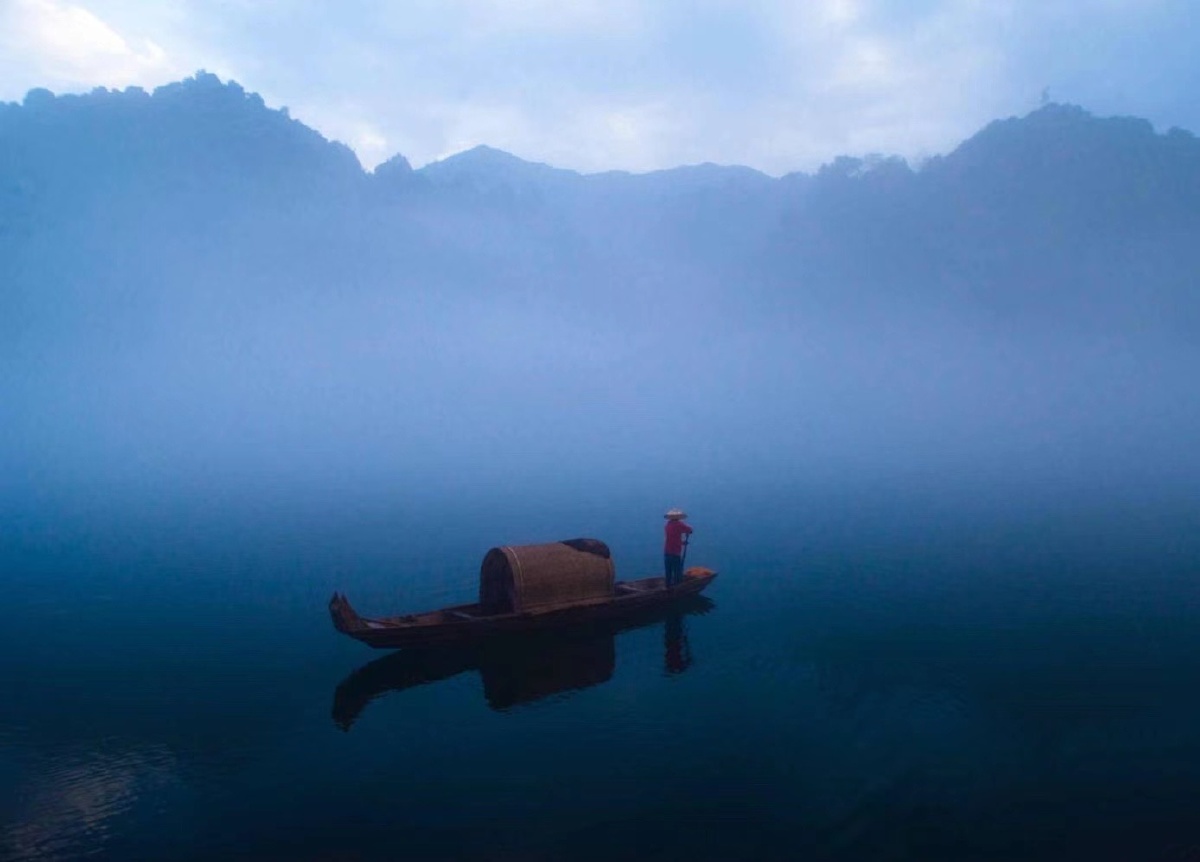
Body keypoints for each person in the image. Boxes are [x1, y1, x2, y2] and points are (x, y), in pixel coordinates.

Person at [663, 508, 693, 588]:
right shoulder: (679, 524)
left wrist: (682, 542)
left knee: (668, 571)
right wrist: (687, 532)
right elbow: (690, 530)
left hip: (667, 551)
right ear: (678, 517)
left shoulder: (667, 525)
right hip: (675, 552)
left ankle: (667, 586)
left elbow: (673, 538)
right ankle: (677, 587)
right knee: (677, 571)